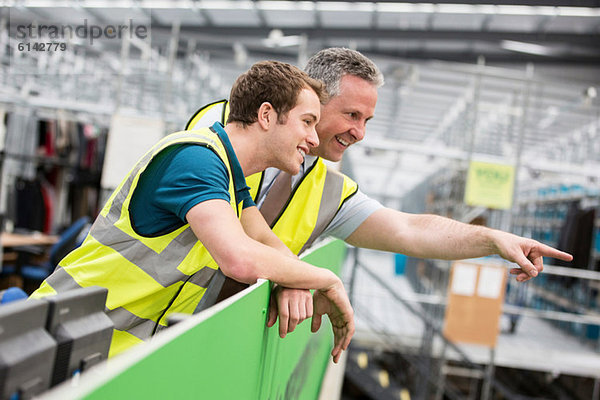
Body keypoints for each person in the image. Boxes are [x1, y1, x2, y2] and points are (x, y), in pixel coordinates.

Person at [186, 48, 573, 337]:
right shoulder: (223, 127)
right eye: (352, 115)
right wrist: (300, 277)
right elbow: (239, 233)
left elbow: (410, 230)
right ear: (312, 100)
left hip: (215, 334)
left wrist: (491, 239)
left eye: (367, 120)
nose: (360, 133)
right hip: (154, 320)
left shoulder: (326, 188)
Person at [30, 60, 354, 362]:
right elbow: (240, 259)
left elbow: (263, 240)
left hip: (101, 349)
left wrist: (296, 280)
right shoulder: (196, 161)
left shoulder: (232, 177)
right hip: (55, 341)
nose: (314, 139)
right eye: (307, 122)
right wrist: (327, 280)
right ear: (267, 115)